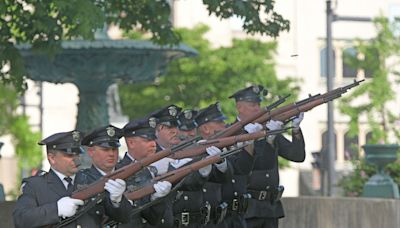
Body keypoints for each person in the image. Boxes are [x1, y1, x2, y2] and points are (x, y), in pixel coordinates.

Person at [229, 85, 306, 228]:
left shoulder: (267, 130)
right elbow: (252, 163)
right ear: (240, 107)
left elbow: (297, 155)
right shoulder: (232, 135)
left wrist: (295, 129)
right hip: (247, 208)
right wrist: (269, 140)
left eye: (258, 104)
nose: (257, 109)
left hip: (270, 208)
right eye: (252, 105)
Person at [13, 130, 119, 227]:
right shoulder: (35, 185)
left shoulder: (93, 180)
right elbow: (21, 219)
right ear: (52, 158)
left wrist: (117, 200)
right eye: (69, 155)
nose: (76, 159)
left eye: (77, 154)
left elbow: (122, 217)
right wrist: (56, 209)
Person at [196, 102, 255, 228]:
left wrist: (248, 141)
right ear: (205, 128)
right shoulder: (195, 152)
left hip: (229, 217)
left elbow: (242, 168)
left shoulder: (224, 147)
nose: (224, 126)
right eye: (219, 123)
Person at [117, 117, 173, 228]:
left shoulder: (153, 168)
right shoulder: (120, 172)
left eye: (154, 139)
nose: (153, 144)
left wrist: (156, 199)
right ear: (131, 143)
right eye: (147, 140)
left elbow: (154, 218)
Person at [77, 125, 132, 226]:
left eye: (114, 149)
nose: (111, 154)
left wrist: (118, 201)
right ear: (91, 152)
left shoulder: (129, 176)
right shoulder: (81, 179)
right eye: (105, 149)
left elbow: (127, 218)